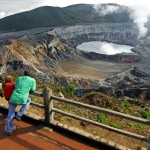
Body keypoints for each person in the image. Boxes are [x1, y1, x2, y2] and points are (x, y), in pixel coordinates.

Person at [6, 70, 36, 136]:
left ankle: (9, 130)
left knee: (10, 115)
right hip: (22, 99)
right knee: (28, 100)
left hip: (13, 98)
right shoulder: (32, 80)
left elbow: (16, 86)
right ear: (29, 75)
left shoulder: (19, 78)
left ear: (24, 74)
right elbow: (33, 90)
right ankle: (19, 115)